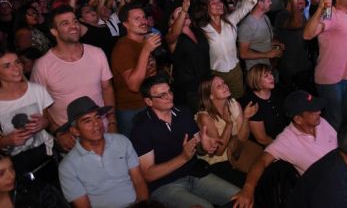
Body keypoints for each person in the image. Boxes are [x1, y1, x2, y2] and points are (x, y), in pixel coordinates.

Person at [130, 74, 239, 208]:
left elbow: (197, 146)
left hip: (195, 174)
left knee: (239, 197)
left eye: (169, 91)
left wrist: (204, 146)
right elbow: (148, 174)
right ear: (149, 101)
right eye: (162, 95)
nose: (169, 96)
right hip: (165, 185)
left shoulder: (183, 112)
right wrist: (183, 157)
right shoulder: (141, 128)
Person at [31, 5, 117, 151]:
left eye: (75, 21)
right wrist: (58, 131)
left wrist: (113, 122)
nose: (74, 26)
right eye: (65, 23)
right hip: (72, 140)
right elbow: (39, 106)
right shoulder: (42, 66)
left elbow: (107, 89)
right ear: (54, 32)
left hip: (103, 131)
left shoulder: (97, 53)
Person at [232, 90, 336, 208]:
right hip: (326, 192)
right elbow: (261, 161)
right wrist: (248, 188)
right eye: (313, 110)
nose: (319, 111)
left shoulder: (321, 122)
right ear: (298, 119)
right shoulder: (286, 141)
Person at [58, 96, 148, 208]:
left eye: (98, 117)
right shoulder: (67, 167)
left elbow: (139, 181)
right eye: (87, 121)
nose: (96, 124)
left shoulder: (121, 142)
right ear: (75, 131)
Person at [193, 0, 257, 99]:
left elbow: (252, 1)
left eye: (219, 1)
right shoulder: (202, 29)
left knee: (238, 101)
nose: (219, 4)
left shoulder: (230, 21)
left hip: (235, 71)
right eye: (213, 3)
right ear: (206, 8)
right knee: (220, 105)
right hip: (215, 74)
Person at [303, 0, 347, 129]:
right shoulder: (330, 15)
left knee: (345, 120)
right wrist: (321, 7)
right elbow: (308, 35)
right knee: (335, 124)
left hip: (344, 79)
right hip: (331, 81)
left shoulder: (343, 15)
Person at [0, 48, 58, 190]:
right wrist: (6, 141)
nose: (16, 68)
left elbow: (49, 122)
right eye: (7, 66)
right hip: (14, 169)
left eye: (17, 62)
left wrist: (44, 123)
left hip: (46, 157)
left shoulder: (37, 90)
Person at [195, 76, 258, 187]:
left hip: (236, 153)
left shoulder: (233, 104)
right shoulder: (204, 117)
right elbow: (218, 151)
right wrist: (229, 124)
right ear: (211, 95)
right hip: (217, 162)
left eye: (224, 83)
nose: (225, 86)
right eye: (219, 86)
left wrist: (246, 117)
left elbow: (243, 138)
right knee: (245, 184)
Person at [111, 3, 161, 137]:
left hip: (149, 103)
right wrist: (146, 50)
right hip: (133, 109)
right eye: (137, 19)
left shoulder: (145, 41)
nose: (143, 21)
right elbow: (133, 85)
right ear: (126, 24)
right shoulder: (123, 47)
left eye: (144, 17)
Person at [166, 0, 210, 111]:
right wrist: (184, 10)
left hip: (206, 81)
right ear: (172, 20)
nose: (184, 14)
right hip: (188, 88)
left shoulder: (197, 30)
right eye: (179, 13)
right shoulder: (171, 36)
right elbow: (174, 34)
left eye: (185, 12)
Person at [241, 64, 288, 147]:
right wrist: (283, 146)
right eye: (266, 76)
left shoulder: (277, 91)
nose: (271, 77)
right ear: (257, 81)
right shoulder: (252, 104)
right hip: (270, 145)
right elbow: (262, 139)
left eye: (270, 73)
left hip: (286, 136)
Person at [238, 0, 283, 72]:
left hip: (267, 66)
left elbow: (260, 42)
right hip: (256, 70)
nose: (271, 3)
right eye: (268, 0)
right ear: (260, 4)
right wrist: (267, 54)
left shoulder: (265, 17)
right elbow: (243, 54)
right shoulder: (246, 25)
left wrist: (276, 44)